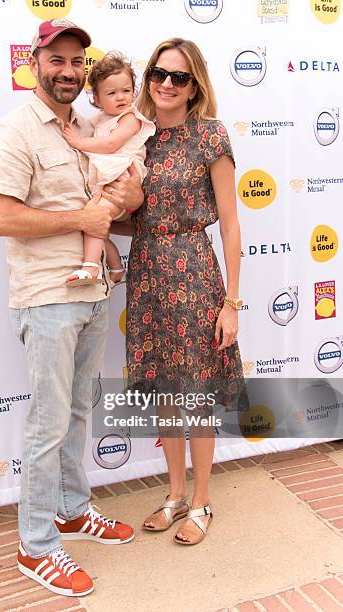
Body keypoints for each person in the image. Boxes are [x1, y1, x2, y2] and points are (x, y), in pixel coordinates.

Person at [0, 19, 143, 598]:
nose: (69, 72)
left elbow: (107, 216)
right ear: (33, 62)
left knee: (77, 411)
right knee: (48, 423)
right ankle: (36, 546)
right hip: (48, 297)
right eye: (58, 60)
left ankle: (73, 510)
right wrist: (82, 220)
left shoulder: (88, 127)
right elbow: (1, 218)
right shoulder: (15, 130)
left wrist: (126, 206)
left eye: (78, 62)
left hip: (93, 290)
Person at [113, 38, 245, 545]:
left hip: (193, 275)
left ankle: (203, 501)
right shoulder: (137, 141)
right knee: (168, 392)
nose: (166, 84)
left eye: (179, 77)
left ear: (195, 87)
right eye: (159, 74)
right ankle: (174, 495)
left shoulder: (210, 136)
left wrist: (231, 303)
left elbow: (231, 226)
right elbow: (135, 223)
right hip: (147, 276)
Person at [62, 51, 155, 287]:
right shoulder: (99, 119)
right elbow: (84, 128)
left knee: (97, 216)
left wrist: (78, 143)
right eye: (111, 93)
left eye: (126, 90)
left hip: (123, 177)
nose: (121, 97)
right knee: (95, 224)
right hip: (106, 180)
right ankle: (114, 266)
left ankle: (91, 267)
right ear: (97, 99)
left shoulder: (131, 117)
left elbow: (112, 144)